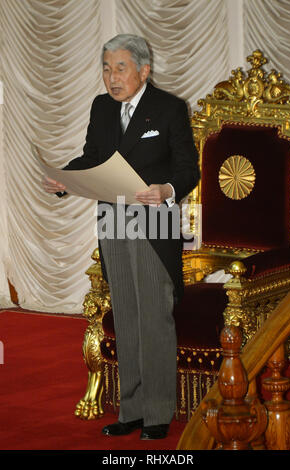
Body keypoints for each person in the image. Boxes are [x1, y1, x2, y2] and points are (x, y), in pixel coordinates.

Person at [43, 34, 199, 440]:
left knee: (154, 319)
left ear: (144, 70)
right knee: (126, 317)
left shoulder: (168, 108)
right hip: (113, 218)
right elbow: (93, 156)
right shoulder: (101, 107)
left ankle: (158, 414)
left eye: (121, 68)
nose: (112, 78)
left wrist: (165, 190)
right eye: (107, 68)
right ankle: (129, 410)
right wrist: (66, 177)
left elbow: (188, 170)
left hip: (154, 221)